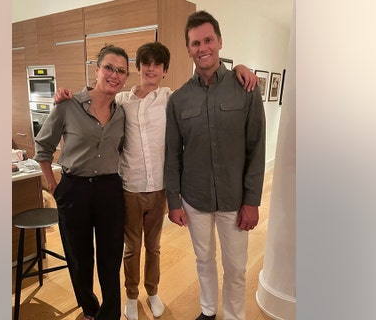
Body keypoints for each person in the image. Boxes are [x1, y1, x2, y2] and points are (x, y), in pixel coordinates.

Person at [56, 42, 258, 320]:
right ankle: (130, 294)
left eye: (158, 65)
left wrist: (239, 69)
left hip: (159, 188)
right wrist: (64, 94)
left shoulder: (171, 98)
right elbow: (96, 97)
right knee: (131, 247)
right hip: (128, 186)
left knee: (154, 246)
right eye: (145, 63)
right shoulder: (122, 101)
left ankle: (152, 291)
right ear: (137, 69)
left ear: (165, 71)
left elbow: (204, 85)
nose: (151, 69)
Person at [164, 11, 266, 320]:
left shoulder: (245, 88)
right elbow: (172, 154)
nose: (202, 47)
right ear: (189, 49)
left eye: (208, 40)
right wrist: (174, 201)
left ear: (219, 42)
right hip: (194, 199)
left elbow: (256, 148)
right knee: (203, 260)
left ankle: (234, 316)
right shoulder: (178, 100)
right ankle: (208, 311)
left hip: (234, 200)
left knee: (235, 267)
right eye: (195, 43)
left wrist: (252, 201)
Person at [34, 44, 130, 320]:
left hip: (110, 189)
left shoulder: (122, 112)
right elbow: (43, 148)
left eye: (121, 71)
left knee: (111, 257)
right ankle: (89, 309)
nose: (114, 75)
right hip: (73, 189)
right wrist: (54, 187)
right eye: (109, 68)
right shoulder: (68, 106)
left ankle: (110, 315)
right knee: (79, 256)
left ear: (125, 78)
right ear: (96, 70)